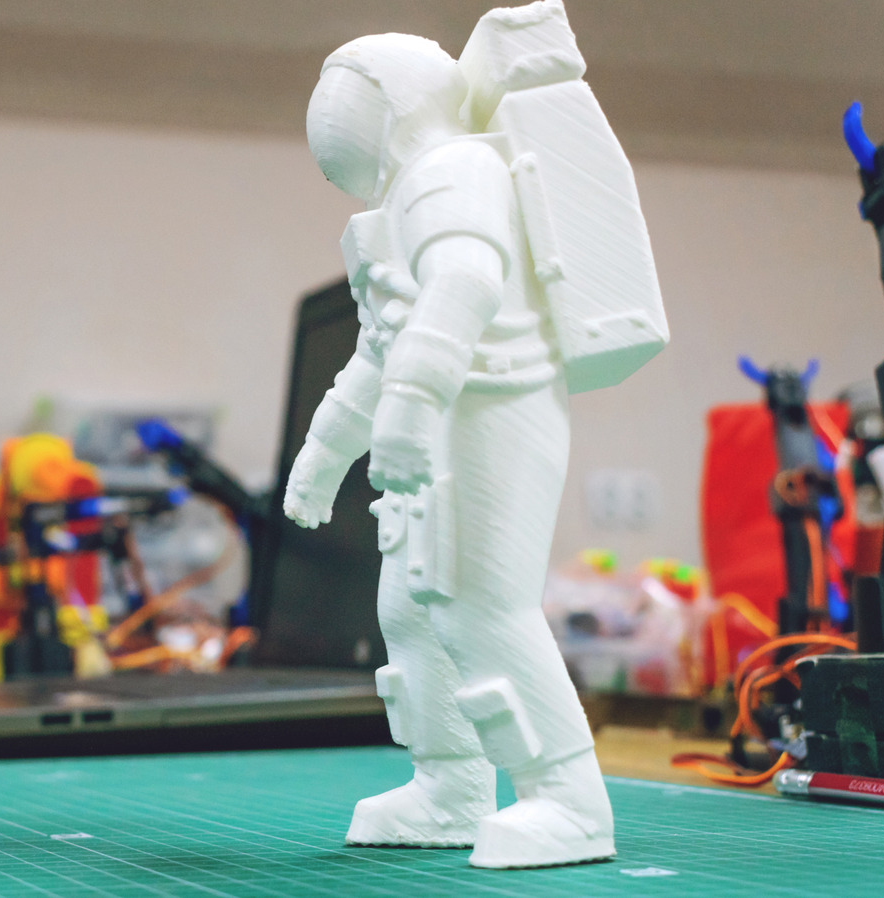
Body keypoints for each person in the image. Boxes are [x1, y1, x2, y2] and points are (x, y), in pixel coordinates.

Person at [282, 32, 614, 869]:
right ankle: (451, 787)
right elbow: (381, 345)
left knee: (483, 604)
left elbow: (466, 281)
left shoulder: (456, 169)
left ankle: (569, 800)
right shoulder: (399, 205)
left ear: (391, 104)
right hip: (437, 414)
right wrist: (327, 450)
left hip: (497, 402)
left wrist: (410, 407)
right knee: (411, 606)